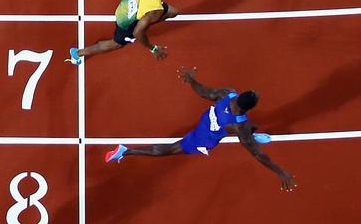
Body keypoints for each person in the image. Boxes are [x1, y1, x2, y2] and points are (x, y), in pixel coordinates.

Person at [105, 67, 297, 192]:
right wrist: (280, 172)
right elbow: (258, 156)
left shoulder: (227, 93)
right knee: (171, 149)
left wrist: (191, 80)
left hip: (207, 120)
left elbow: (204, 91)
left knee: (248, 130)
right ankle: (126, 151)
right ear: (249, 108)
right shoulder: (240, 126)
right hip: (203, 139)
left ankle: (255, 135)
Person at [67, 0, 181, 65]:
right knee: (116, 44)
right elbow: (137, 32)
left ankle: (146, 20)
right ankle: (77, 53)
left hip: (122, 7)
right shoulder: (155, 11)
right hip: (125, 22)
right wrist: (153, 49)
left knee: (174, 12)